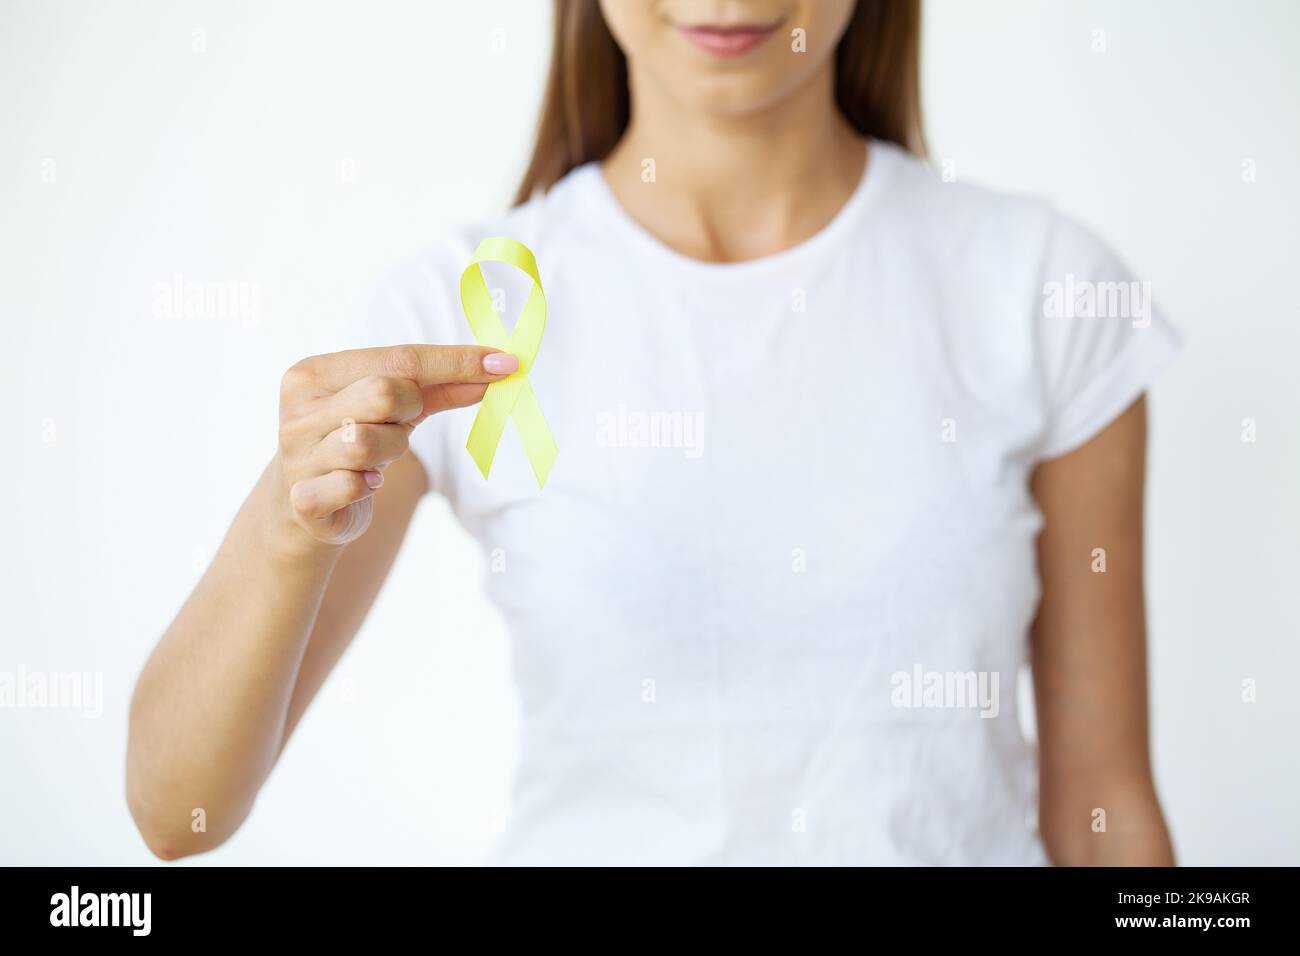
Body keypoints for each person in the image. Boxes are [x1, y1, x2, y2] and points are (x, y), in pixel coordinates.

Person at [127, 0, 1180, 865]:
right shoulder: (470, 306)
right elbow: (178, 813)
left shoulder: (1045, 290)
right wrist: (286, 520)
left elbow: (1106, 813)